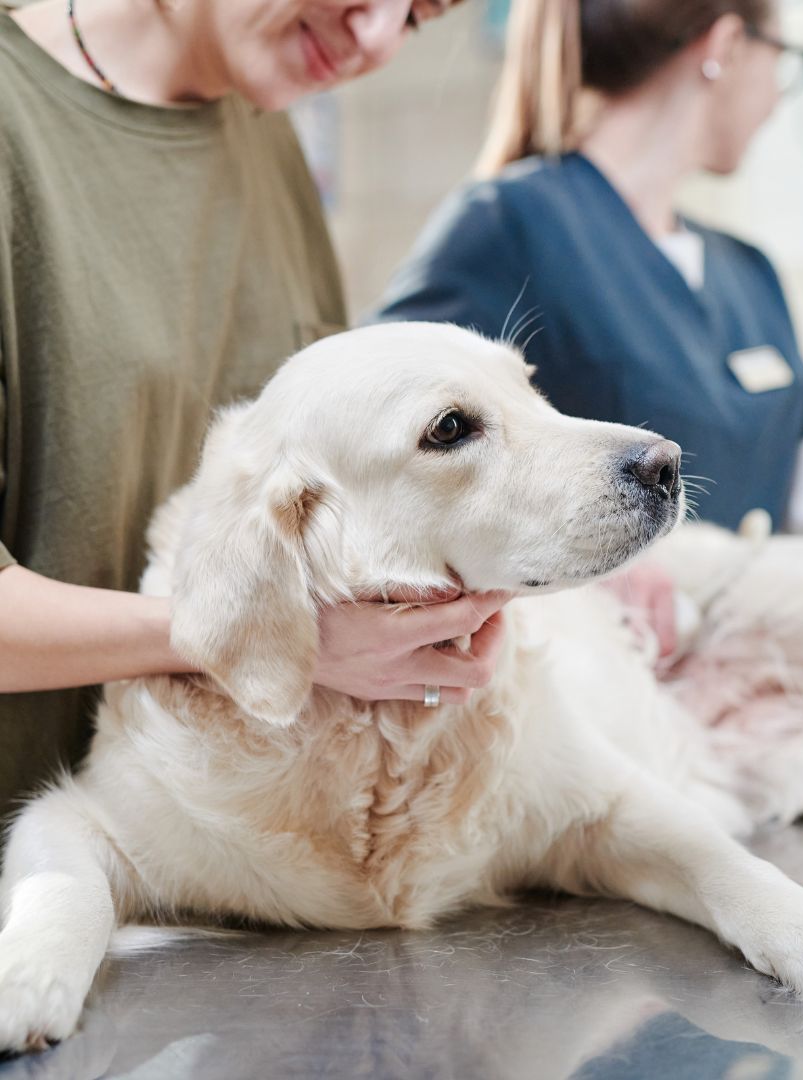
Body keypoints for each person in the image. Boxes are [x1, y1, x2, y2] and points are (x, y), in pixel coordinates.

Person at [375, 0, 803, 681]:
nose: (778, 97)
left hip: (743, 694)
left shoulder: (747, 270)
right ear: (725, 48)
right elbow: (373, 463)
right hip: (592, 697)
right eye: (784, 61)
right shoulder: (507, 224)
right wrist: (585, 579)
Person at [0, 0, 508, 822]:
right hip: (44, 872)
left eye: (416, 19)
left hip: (214, 858)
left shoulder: (266, 135)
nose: (375, 39)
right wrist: (266, 637)